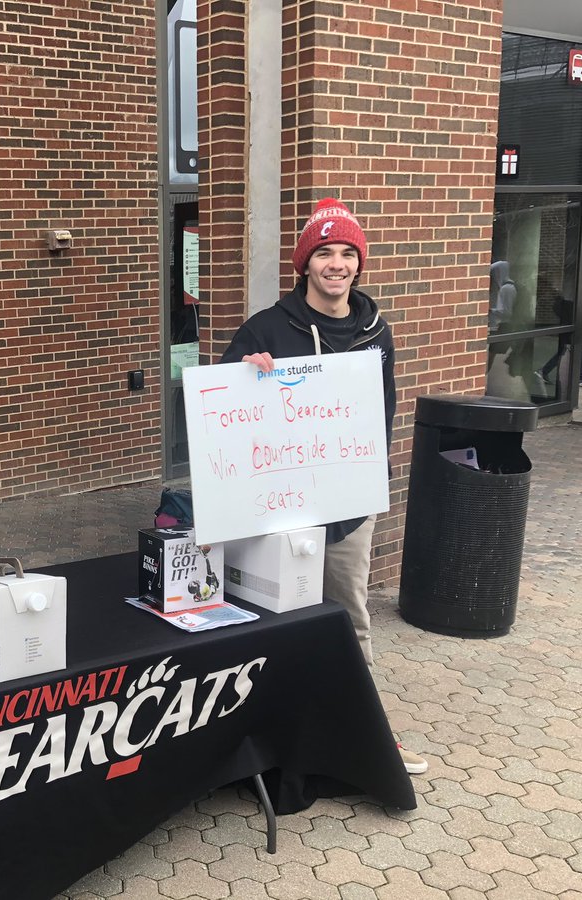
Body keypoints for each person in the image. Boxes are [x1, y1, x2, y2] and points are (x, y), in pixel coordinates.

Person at [219, 197, 428, 776]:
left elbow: (379, 415)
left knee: (348, 619)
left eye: (346, 254)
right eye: (325, 253)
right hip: (278, 508)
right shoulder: (265, 328)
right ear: (305, 263)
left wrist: (367, 482)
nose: (336, 264)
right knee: (270, 617)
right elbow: (224, 414)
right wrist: (246, 375)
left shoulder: (376, 333)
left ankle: (369, 739)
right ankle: (267, 742)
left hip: (348, 504)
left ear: (357, 264)